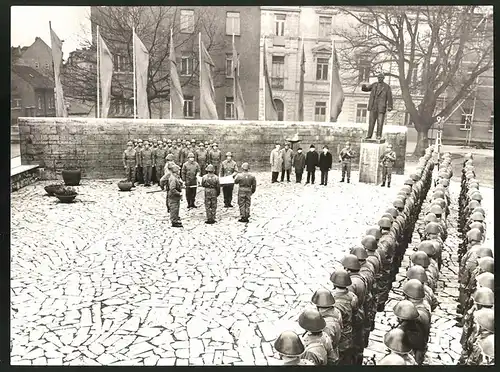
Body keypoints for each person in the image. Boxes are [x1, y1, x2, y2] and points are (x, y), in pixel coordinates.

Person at [361, 72, 393, 140]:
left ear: (383, 78)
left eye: (381, 78)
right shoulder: (374, 85)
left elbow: (389, 97)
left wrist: (390, 106)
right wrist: (363, 85)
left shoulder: (387, 87)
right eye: (378, 78)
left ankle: (378, 135)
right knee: (371, 122)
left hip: (381, 107)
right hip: (373, 106)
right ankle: (369, 135)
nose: (379, 79)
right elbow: (366, 89)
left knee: (380, 122)